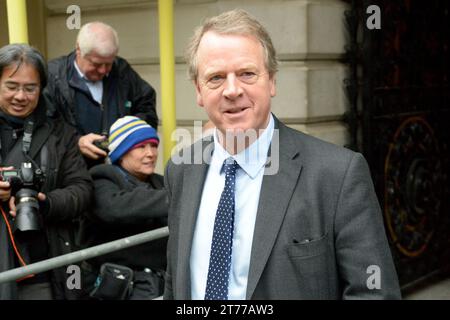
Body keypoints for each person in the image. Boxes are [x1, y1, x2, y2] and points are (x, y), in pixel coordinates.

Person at [163, 9, 401, 300]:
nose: (232, 90)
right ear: (199, 90)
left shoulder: (337, 175)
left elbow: (374, 293)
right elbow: (175, 282)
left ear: (272, 81)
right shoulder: (180, 170)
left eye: (247, 73)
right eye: (215, 78)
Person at [0, 44, 93, 300]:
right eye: (11, 86)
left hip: (39, 267)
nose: (21, 96)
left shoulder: (59, 134)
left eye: (30, 88)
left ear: (41, 89)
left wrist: (46, 203)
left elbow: (82, 190)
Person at [44, 21, 158, 168]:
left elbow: (146, 103)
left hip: (118, 170)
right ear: (78, 50)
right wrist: (76, 142)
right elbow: (45, 127)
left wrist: (129, 136)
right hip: (73, 170)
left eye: (109, 63)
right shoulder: (53, 77)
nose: (104, 70)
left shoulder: (121, 70)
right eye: (96, 64)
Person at [79, 116, 168, 300]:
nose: (151, 153)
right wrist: (176, 197)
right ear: (121, 152)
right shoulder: (102, 178)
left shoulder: (161, 182)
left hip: (160, 282)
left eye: (154, 146)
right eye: (141, 147)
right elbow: (114, 209)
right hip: (120, 286)